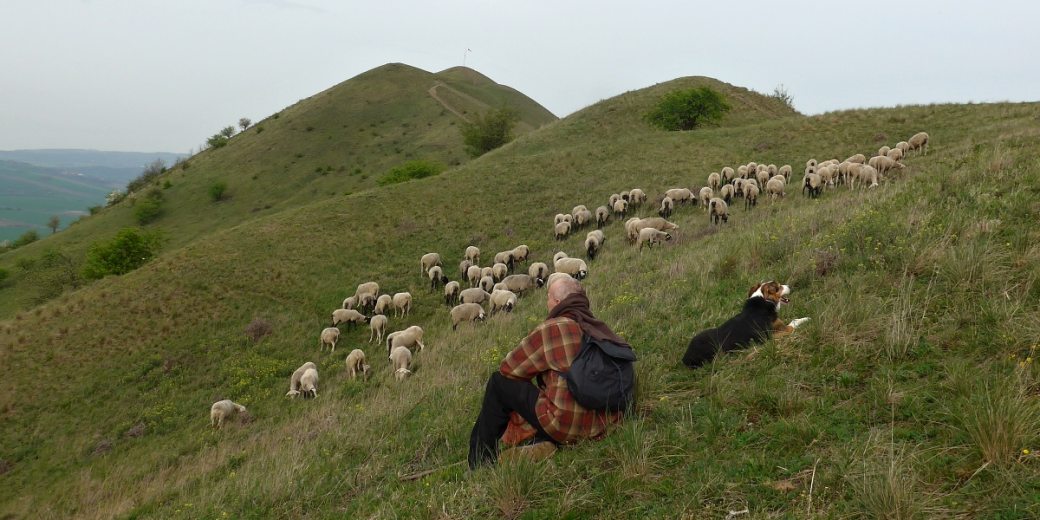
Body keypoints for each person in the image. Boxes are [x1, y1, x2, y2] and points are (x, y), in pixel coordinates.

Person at [468, 276, 633, 468]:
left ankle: (480, 460)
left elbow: (509, 368)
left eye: (547, 298)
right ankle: (541, 443)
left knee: (498, 383)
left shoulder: (554, 328)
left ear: (556, 302)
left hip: (566, 425)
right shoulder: (599, 328)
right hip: (605, 421)